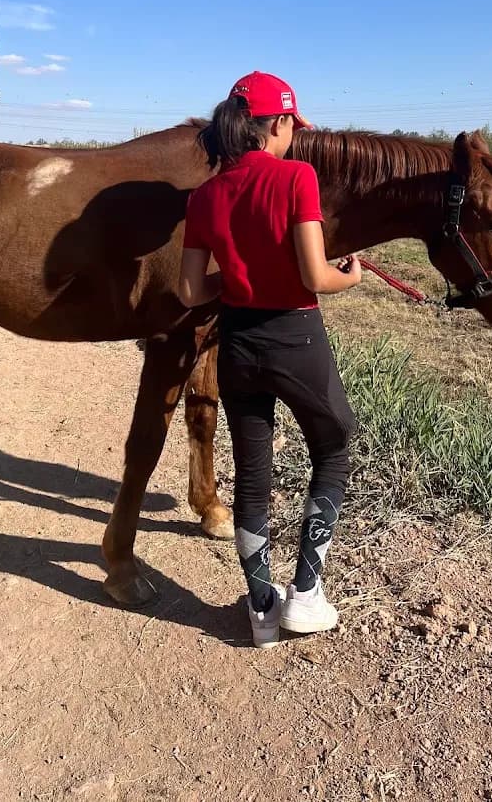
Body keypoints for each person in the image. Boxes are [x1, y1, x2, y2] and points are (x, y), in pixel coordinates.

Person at [178, 72, 361, 648]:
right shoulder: (296, 177)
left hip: (237, 341)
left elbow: (189, 291)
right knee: (333, 445)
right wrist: (349, 275)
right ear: (278, 123)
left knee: (253, 476)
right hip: (295, 336)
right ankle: (305, 595)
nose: (293, 137)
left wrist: (236, 274)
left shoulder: (204, 195)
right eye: (291, 126)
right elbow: (315, 276)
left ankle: (262, 607)